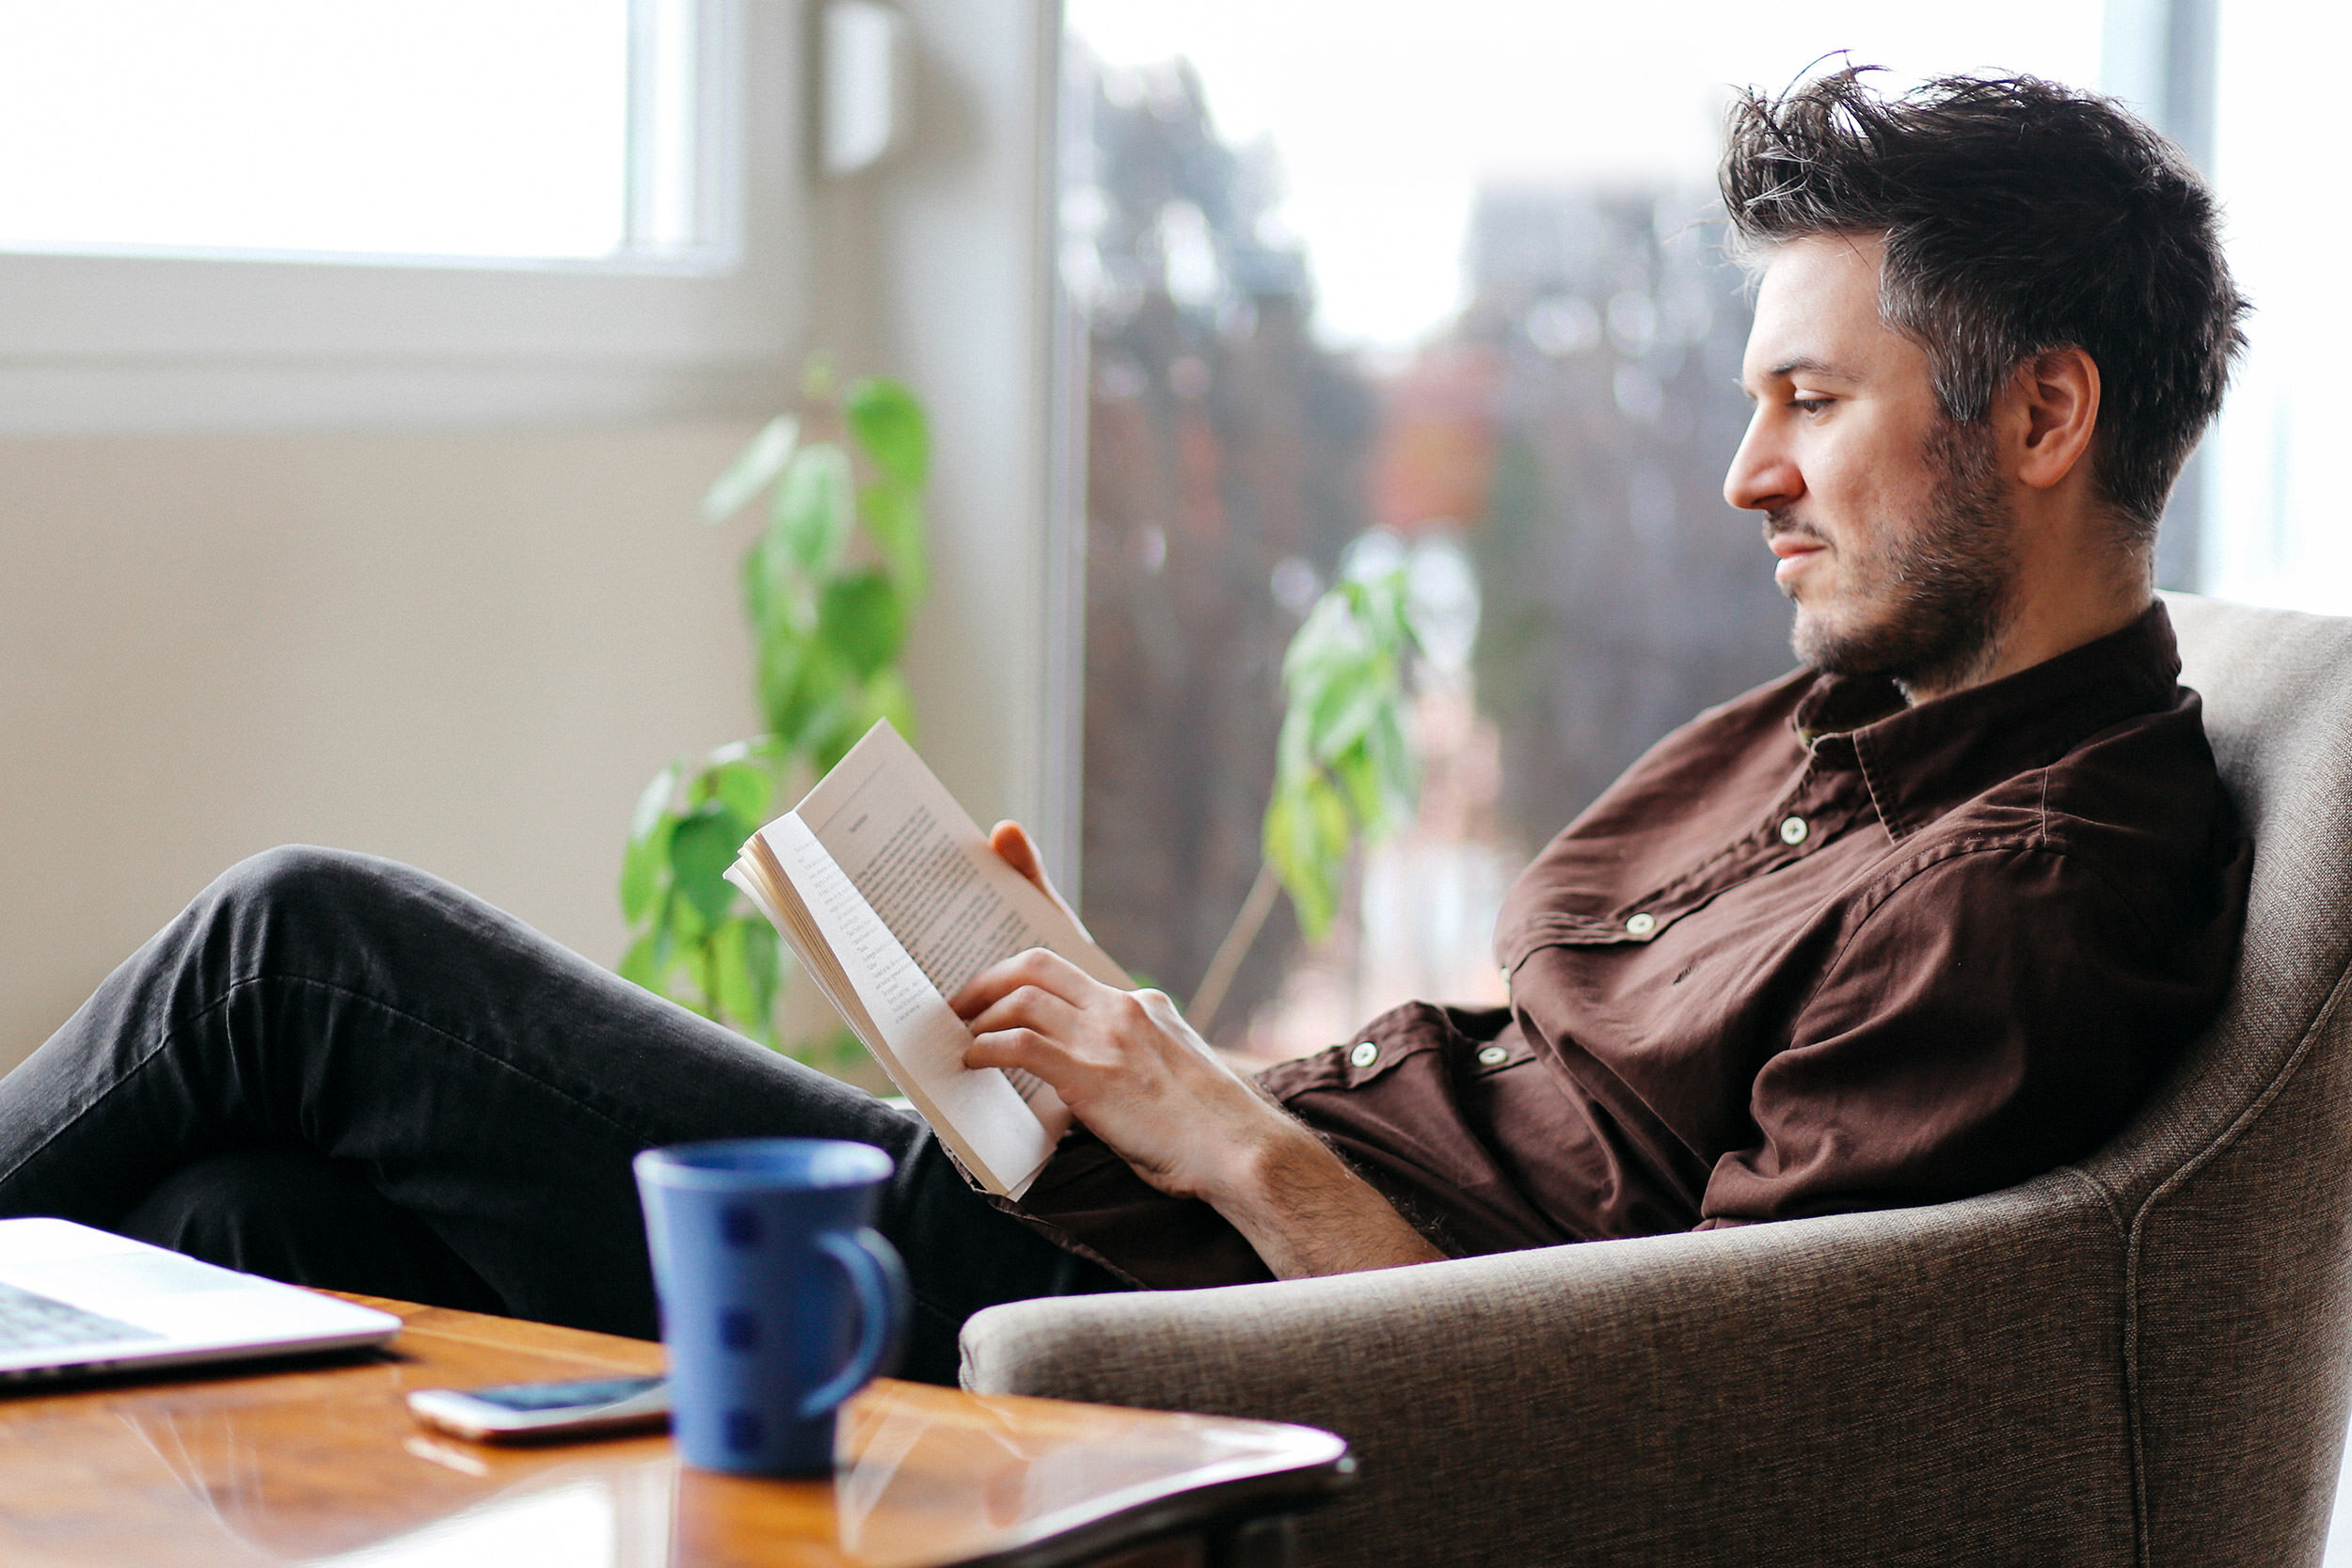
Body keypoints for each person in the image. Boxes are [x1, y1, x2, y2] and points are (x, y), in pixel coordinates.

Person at [0, 69, 2249, 1386]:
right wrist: (1123, 1057)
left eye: (1806, 400)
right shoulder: (1866, 722)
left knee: (295, 952)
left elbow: (1667, 1408)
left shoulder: (2025, 891)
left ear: (2039, 411)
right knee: (240, 1209)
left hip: (1159, 1342)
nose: (1743, 474)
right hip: (1130, 1226)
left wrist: (1218, 1136)